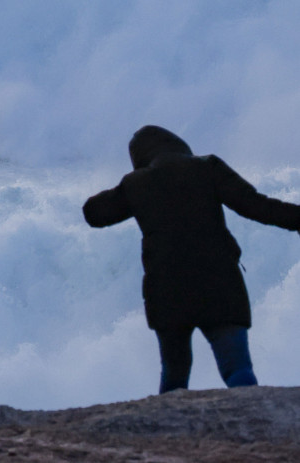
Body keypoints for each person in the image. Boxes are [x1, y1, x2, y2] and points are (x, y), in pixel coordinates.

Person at [82, 125, 300, 393]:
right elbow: (257, 206)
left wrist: (133, 183)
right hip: (220, 284)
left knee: (174, 375)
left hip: (167, 290)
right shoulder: (208, 167)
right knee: (238, 369)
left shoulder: (136, 183)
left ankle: (167, 431)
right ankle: (257, 429)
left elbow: (94, 214)